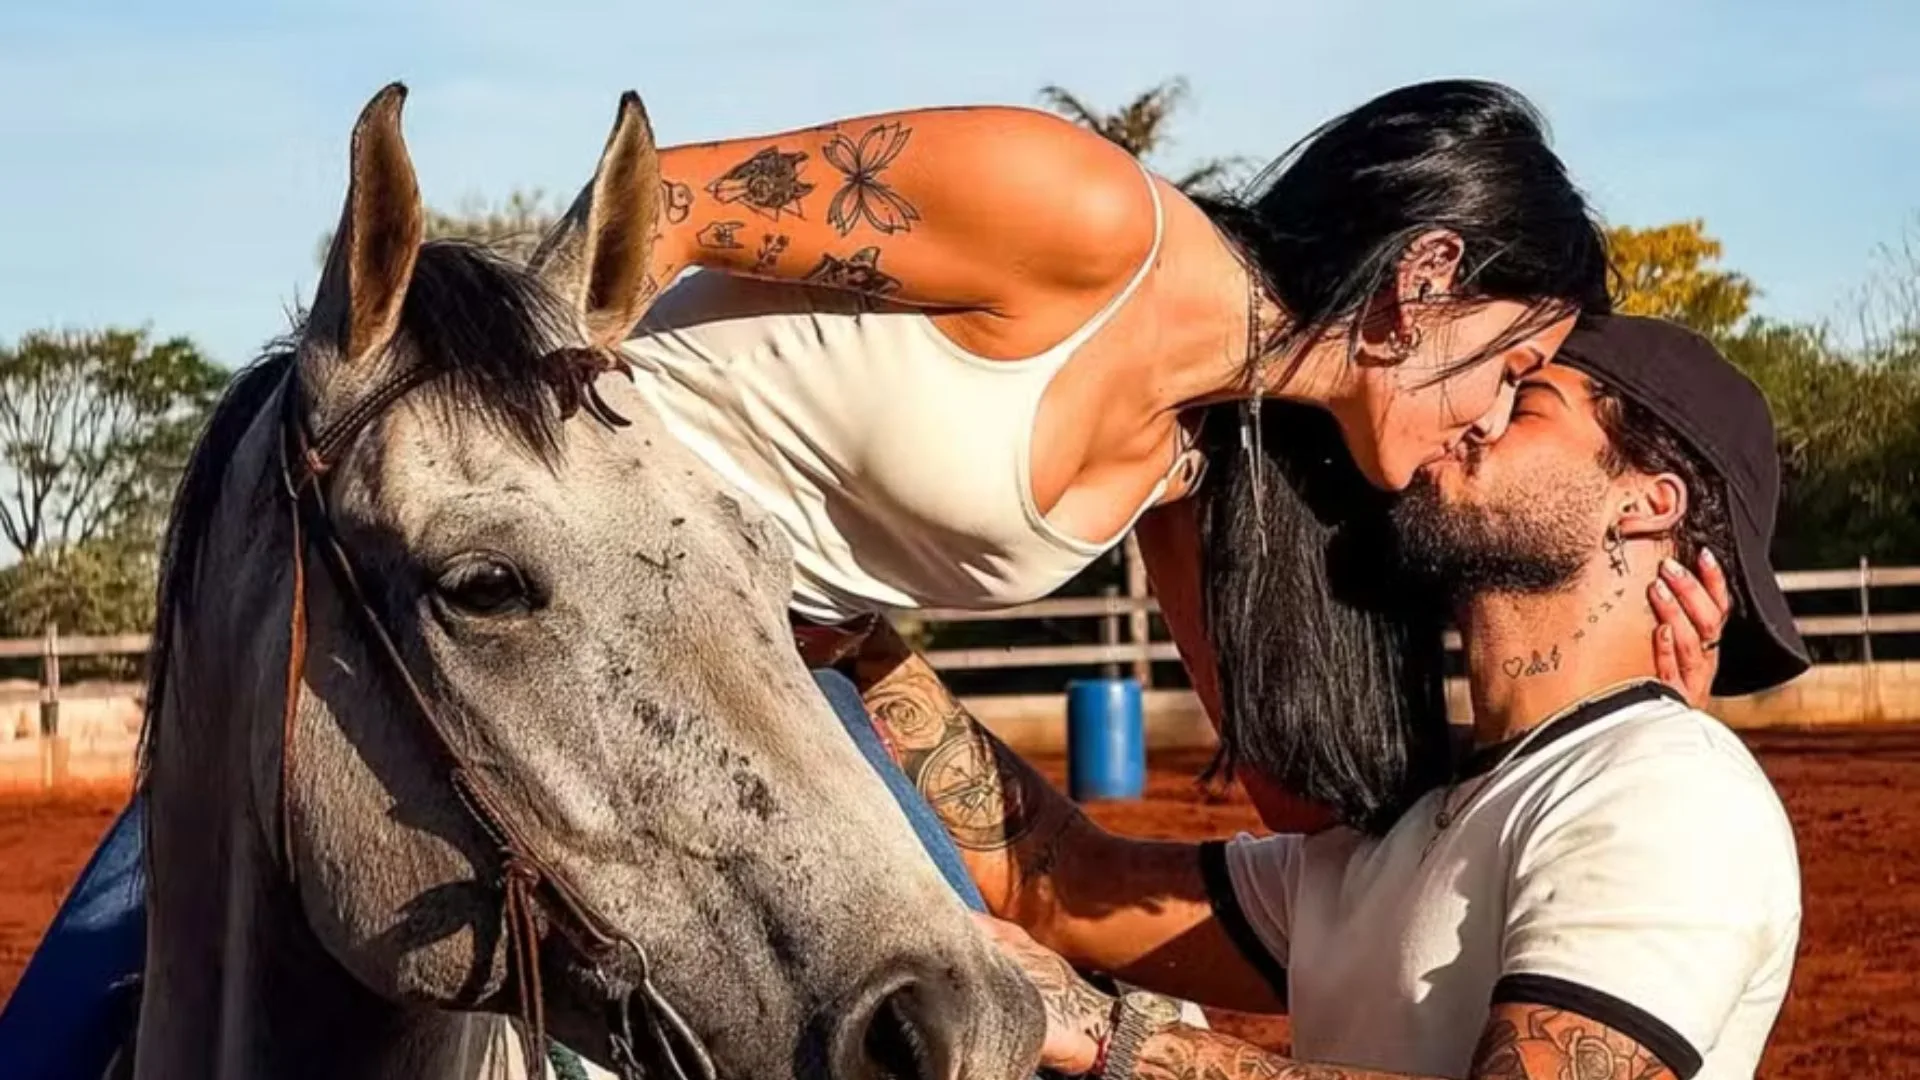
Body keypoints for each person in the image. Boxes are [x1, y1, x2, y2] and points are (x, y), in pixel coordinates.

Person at [1, 81, 1726, 1077]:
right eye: (1517, 362)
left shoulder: (1206, 468)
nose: (1496, 415)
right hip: (540, 597)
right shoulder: (1085, 218)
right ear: (1424, 276)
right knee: (94, 1006)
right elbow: (658, 207)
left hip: (765, 684)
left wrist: (1622, 738)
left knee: (942, 1022)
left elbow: (1319, 838)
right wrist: (517, 470)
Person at [849, 315, 1808, 1080]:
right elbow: (1066, 886)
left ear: (1646, 502)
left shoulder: (1667, 791)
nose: (1472, 415)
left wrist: (1115, 1041)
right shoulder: (1411, 821)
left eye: (1528, 400)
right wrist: (853, 641)